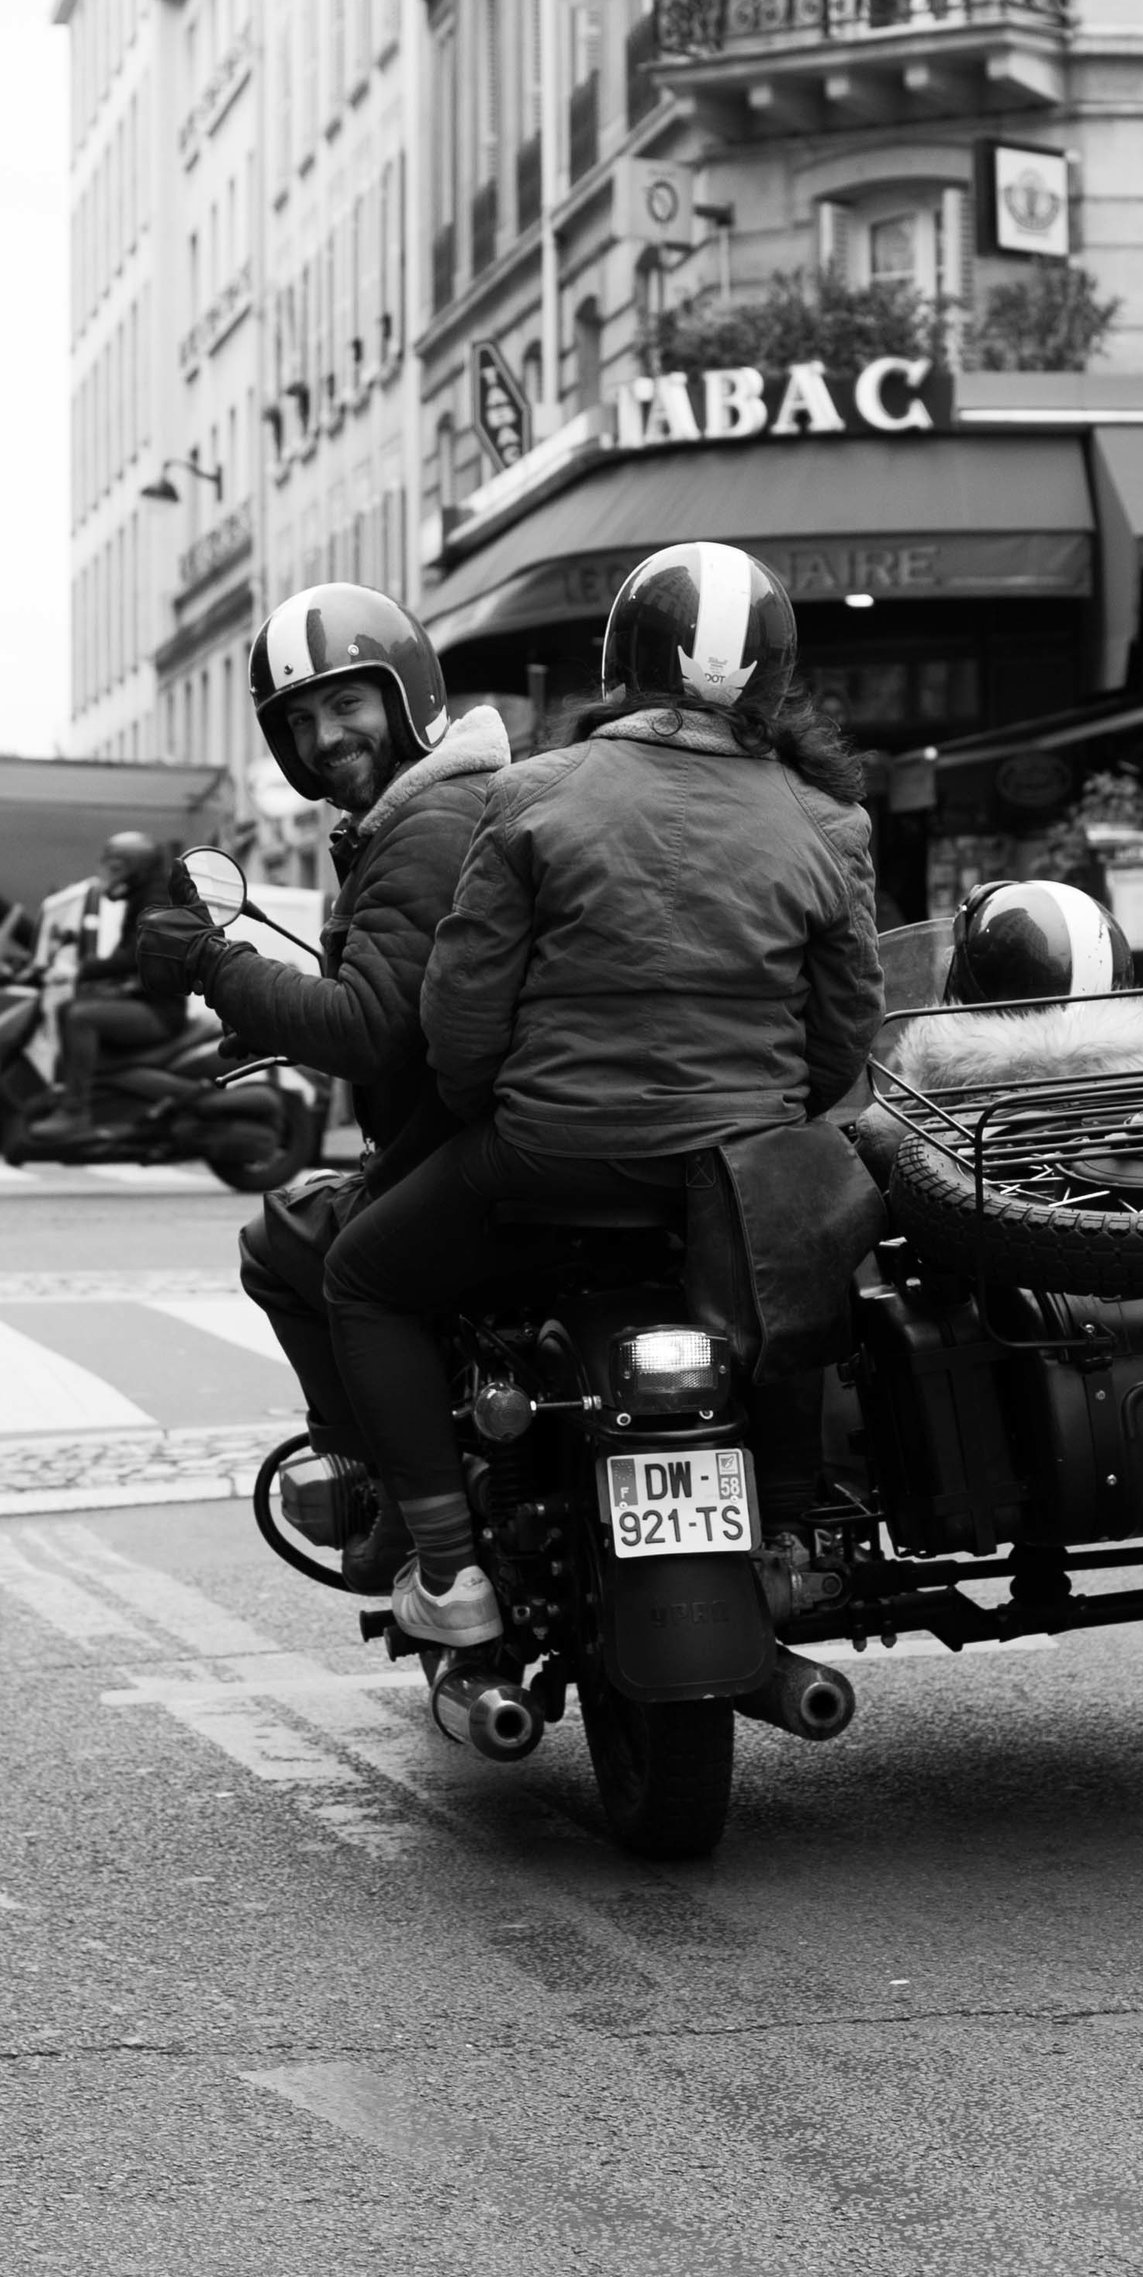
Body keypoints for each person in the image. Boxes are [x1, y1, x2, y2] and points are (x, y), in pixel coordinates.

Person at [319, 539, 884, 1653]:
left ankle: (446, 1569)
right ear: (772, 679)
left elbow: (460, 1021)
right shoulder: (829, 826)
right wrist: (765, 1115)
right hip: (735, 1170)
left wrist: (502, 1111)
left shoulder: (531, 796)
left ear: (619, 659)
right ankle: (797, 1534)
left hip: (547, 1154)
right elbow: (842, 1034)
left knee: (358, 1277)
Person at [135, 582, 513, 1580]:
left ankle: (415, 1515)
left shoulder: (428, 827)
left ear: (407, 695)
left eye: (347, 705)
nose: (326, 736)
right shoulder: (452, 808)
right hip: (512, 1129)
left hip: (475, 1144)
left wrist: (214, 965)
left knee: (300, 1247)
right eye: (300, 721)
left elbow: (366, 1028)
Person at [51, 832, 188, 1144]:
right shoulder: (143, 897)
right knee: (69, 1008)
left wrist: (83, 969)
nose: (110, 877)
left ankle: (75, 1111)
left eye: (116, 869)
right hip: (145, 1000)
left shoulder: (154, 902)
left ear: (135, 868)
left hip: (159, 1011)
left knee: (79, 1017)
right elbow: (126, 956)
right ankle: (100, 1092)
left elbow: (133, 957)